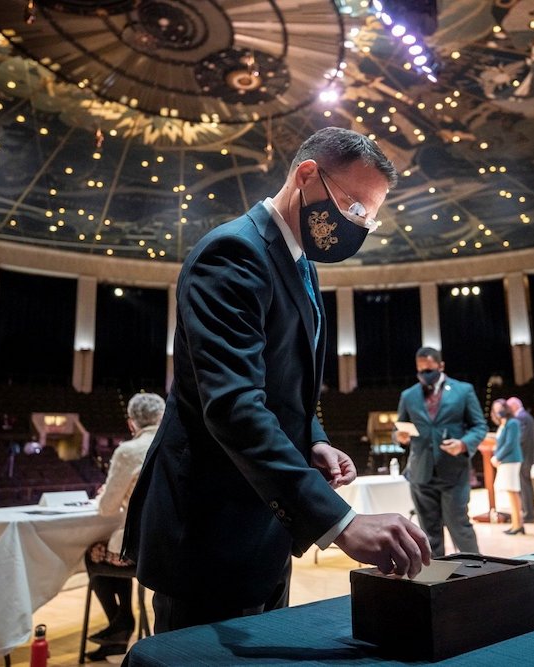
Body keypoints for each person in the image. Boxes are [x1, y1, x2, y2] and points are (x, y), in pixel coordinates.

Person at [122, 127, 430, 633]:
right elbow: (234, 405)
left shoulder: (301, 263)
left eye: (368, 219)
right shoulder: (231, 254)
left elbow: (284, 387)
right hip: (210, 532)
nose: (360, 225)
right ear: (306, 176)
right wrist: (343, 522)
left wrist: (314, 438)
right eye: (355, 209)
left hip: (264, 527)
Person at [84, 392, 165, 661]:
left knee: (93, 553)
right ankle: (121, 626)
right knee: (115, 546)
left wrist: (109, 491)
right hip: (171, 542)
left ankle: (123, 622)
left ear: (132, 423)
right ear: (162, 417)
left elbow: (107, 508)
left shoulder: (128, 451)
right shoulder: (173, 443)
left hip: (141, 548)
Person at [395, 347, 486, 557]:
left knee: (460, 527)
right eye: (421, 369)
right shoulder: (408, 395)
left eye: (429, 368)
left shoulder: (463, 390)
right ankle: (436, 582)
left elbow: (479, 426)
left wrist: (463, 444)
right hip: (421, 472)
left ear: (440, 366)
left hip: (453, 471)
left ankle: (478, 574)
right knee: (428, 534)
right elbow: (399, 427)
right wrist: (398, 436)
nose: (425, 373)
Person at [490, 399, 524, 535]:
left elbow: (510, 443)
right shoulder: (503, 423)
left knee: (513, 492)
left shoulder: (513, 422)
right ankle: (515, 523)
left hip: (511, 460)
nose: (498, 410)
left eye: (500, 407)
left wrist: (498, 457)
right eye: (495, 408)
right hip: (505, 461)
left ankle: (518, 525)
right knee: (511, 493)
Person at [507, 396, 534, 523]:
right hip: (526, 456)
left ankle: (529, 514)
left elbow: (521, 438)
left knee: (525, 487)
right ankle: (528, 513)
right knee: (526, 486)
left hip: (524, 457)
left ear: (515, 405)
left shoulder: (521, 417)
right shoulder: (525, 416)